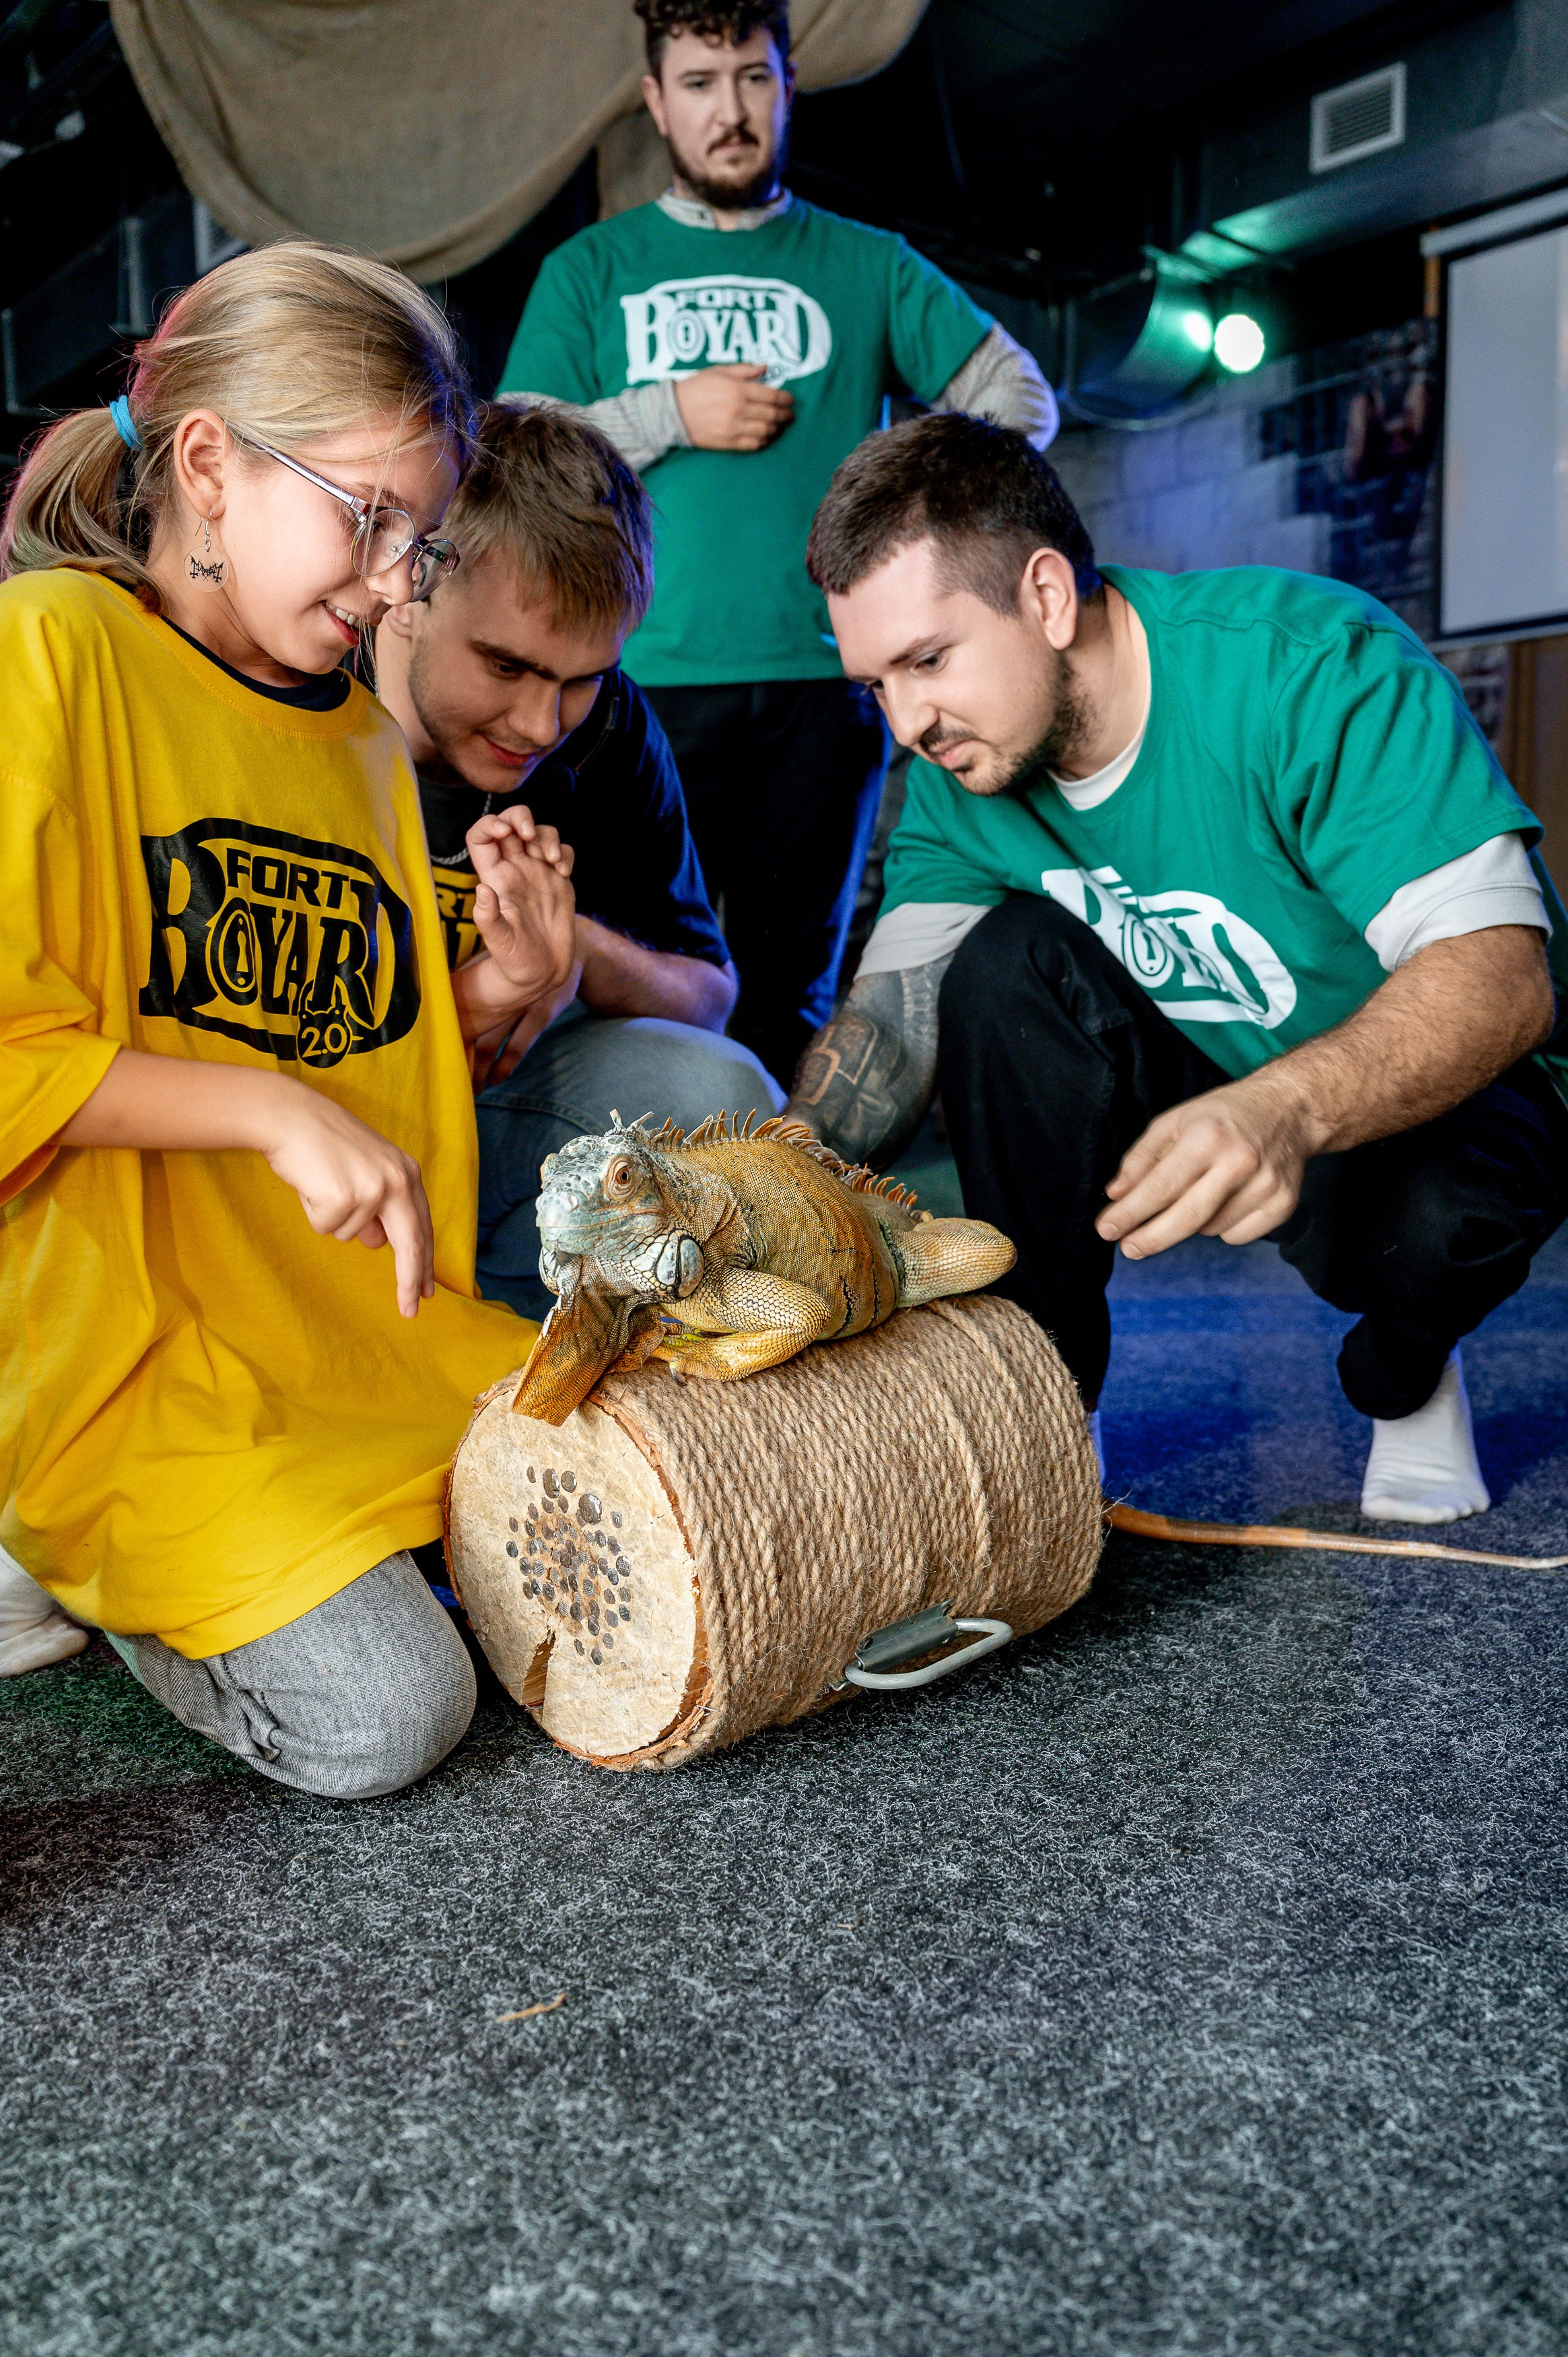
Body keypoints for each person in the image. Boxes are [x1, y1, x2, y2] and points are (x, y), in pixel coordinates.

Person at [787, 412, 1568, 1525]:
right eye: (874, 685)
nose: (906, 720)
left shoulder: (1306, 669)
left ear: (1047, 598)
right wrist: (758, 1198)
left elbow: (1499, 982)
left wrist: (1280, 1109)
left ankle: (1404, 1377)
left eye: (927, 660)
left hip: (1429, 1092)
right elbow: (889, 1033)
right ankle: (1049, 1407)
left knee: (1445, 1224)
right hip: (1211, 1072)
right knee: (996, 972)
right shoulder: (965, 780)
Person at [0, 243, 564, 1783]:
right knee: (396, 1716)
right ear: (208, 465)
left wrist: (500, 989)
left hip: (362, 1345)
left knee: (638, 1487)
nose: (395, 581)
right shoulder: (52, 652)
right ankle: (77, 1565)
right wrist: (265, 1108)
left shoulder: (372, 752)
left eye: (420, 542)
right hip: (144, 1376)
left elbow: (359, 1049)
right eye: (367, 519)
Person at [499, 0, 1056, 1092]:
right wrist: (670, 410)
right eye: (700, 83)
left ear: (786, 89)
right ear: (657, 103)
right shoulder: (592, 268)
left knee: (794, 984)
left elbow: (1019, 397)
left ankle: (769, 1229)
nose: (731, 109)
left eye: (753, 78)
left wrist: (903, 488)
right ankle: (650, 1231)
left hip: (827, 683)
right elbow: (515, 454)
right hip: (640, 685)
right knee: (647, 972)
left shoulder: (864, 262)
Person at [371, 402, 780, 1321]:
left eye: (581, 676)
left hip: (491, 1144)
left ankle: (532, 1346)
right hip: (315, 1140)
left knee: (727, 1101)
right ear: (407, 586)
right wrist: (486, 989)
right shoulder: (311, 694)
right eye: (506, 667)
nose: (542, 726)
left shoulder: (609, 728)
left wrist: (577, 956)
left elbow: (710, 999)